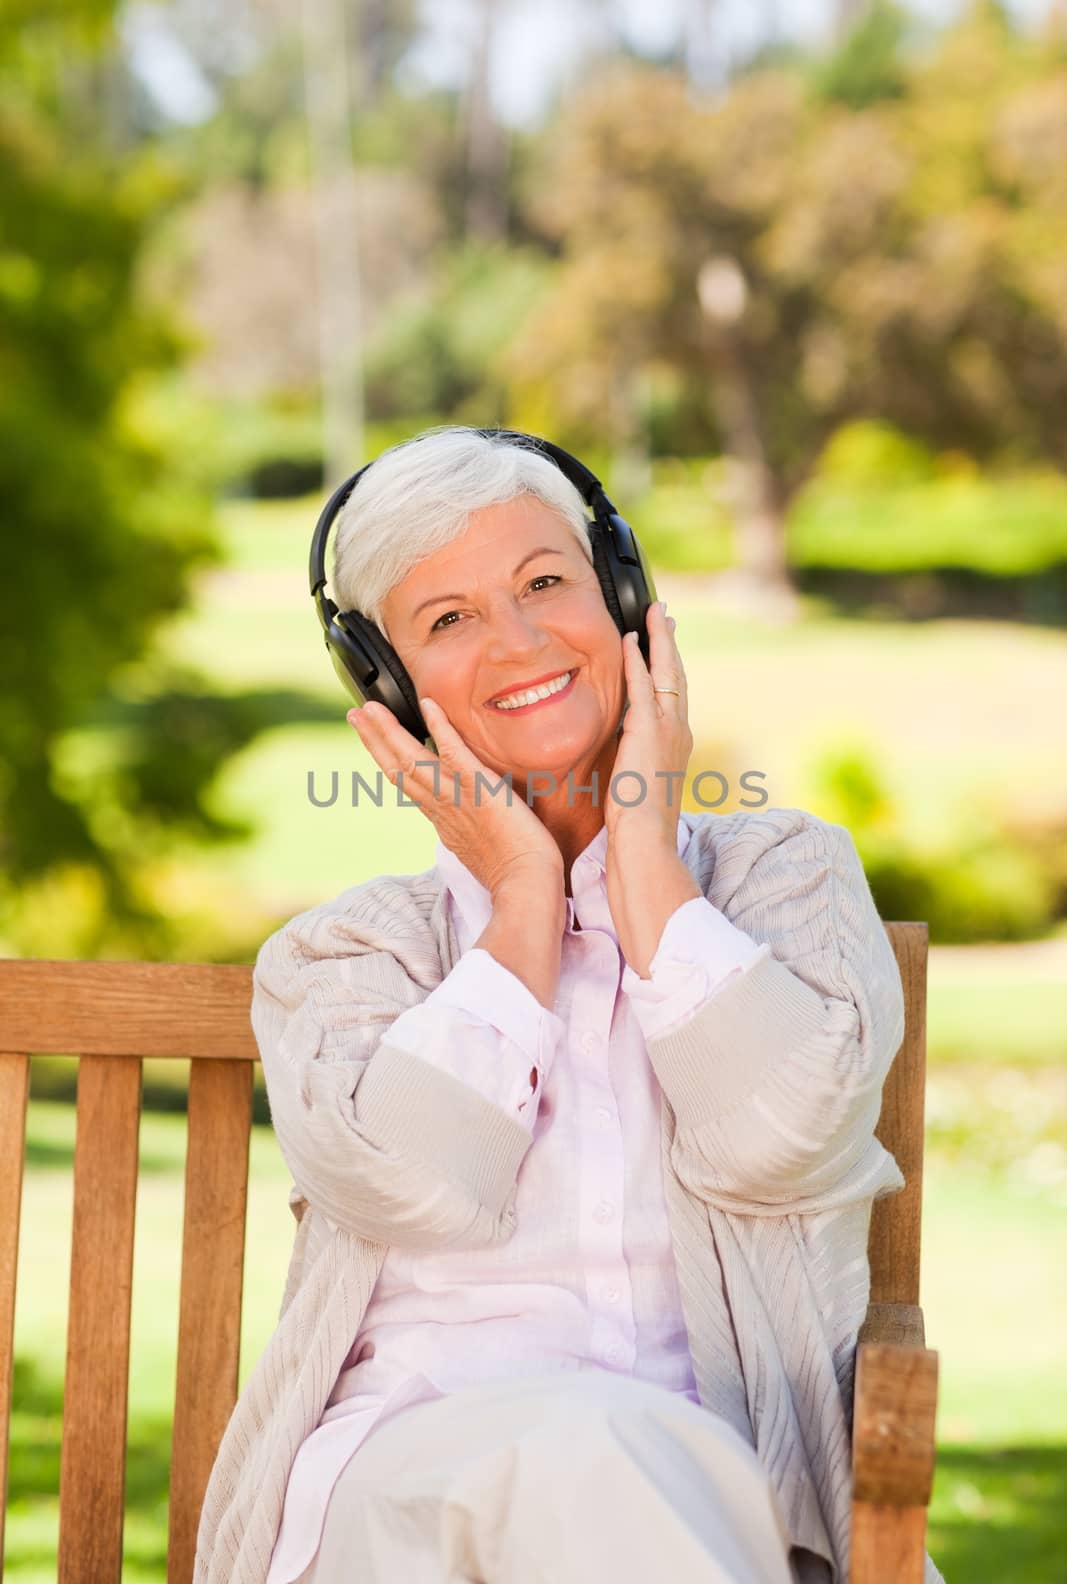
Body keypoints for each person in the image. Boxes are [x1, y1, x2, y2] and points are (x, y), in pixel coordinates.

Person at [194, 427, 942, 1584]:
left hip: (720, 1497)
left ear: (624, 597)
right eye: (446, 619)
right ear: (386, 689)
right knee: (579, 1446)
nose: (521, 638)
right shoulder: (338, 954)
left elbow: (784, 1139)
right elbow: (415, 1187)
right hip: (407, 1505)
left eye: (545, 581)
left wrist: (639, 850)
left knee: (614, 1456)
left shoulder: (785, 876)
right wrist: (523, 903)